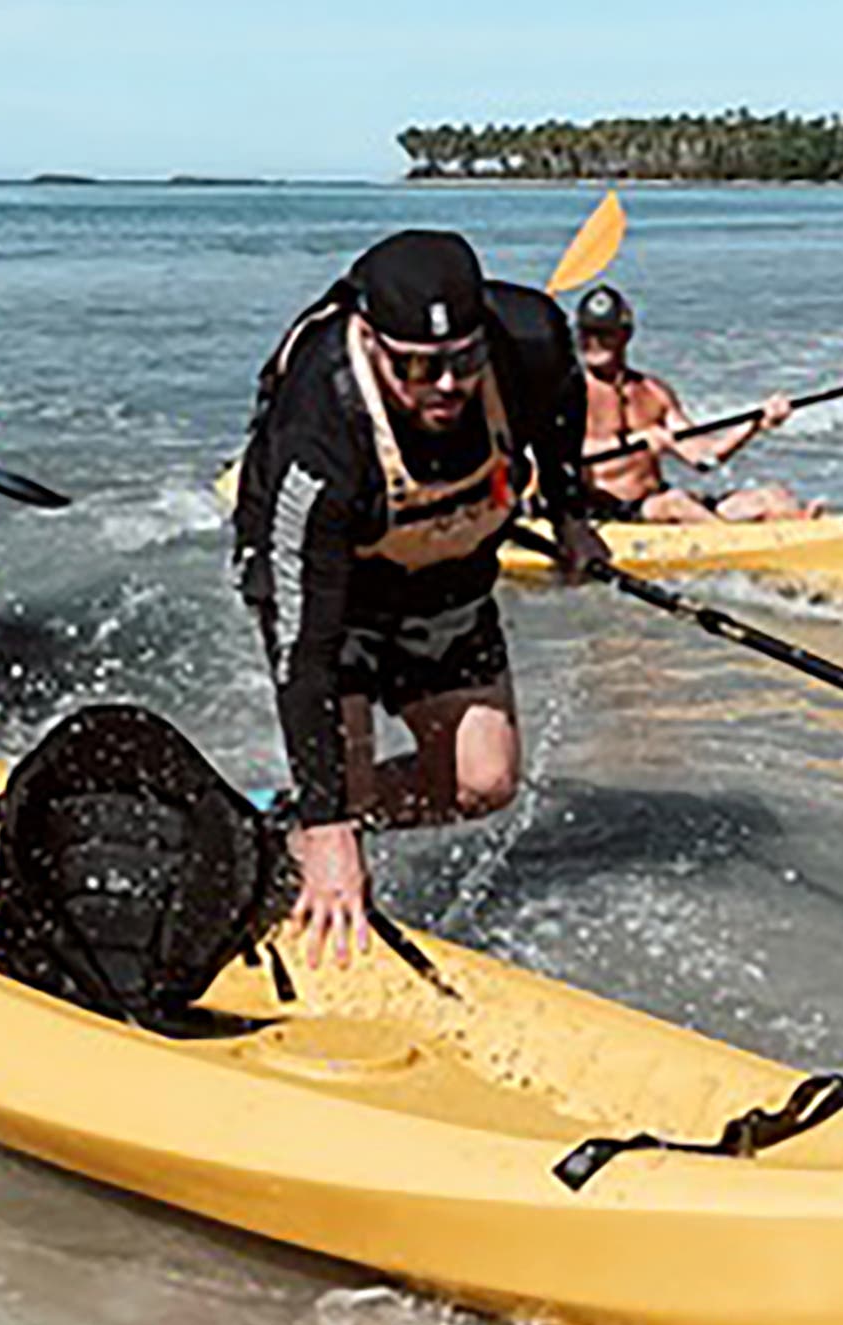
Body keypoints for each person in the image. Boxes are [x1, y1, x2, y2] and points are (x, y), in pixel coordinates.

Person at [230, 230, 605, 969]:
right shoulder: (320, 429)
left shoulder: (530, 338)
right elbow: (304, 647)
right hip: (329, 587)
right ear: (369, 340)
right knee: (347, 789)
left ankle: (294, 819)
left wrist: (569, 513)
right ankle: (316, 841)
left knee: (483, 783)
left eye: (465, 361)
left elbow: (563, 402)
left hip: (447, 572)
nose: (446, 386)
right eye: (417, 368)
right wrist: (335, 826)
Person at [572, 284, 813, 524]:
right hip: (605, 510)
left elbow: (704, 458)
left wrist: (756, 423)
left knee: (773, 497)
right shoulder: (568, 393)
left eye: (604, 333)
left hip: (655, 500)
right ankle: (731, 547)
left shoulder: (654, 392)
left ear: (625, 334)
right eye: (587, 333)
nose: (594, 342)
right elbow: (558, 455)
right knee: (675, 503)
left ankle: (809, 536)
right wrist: (633, 442)